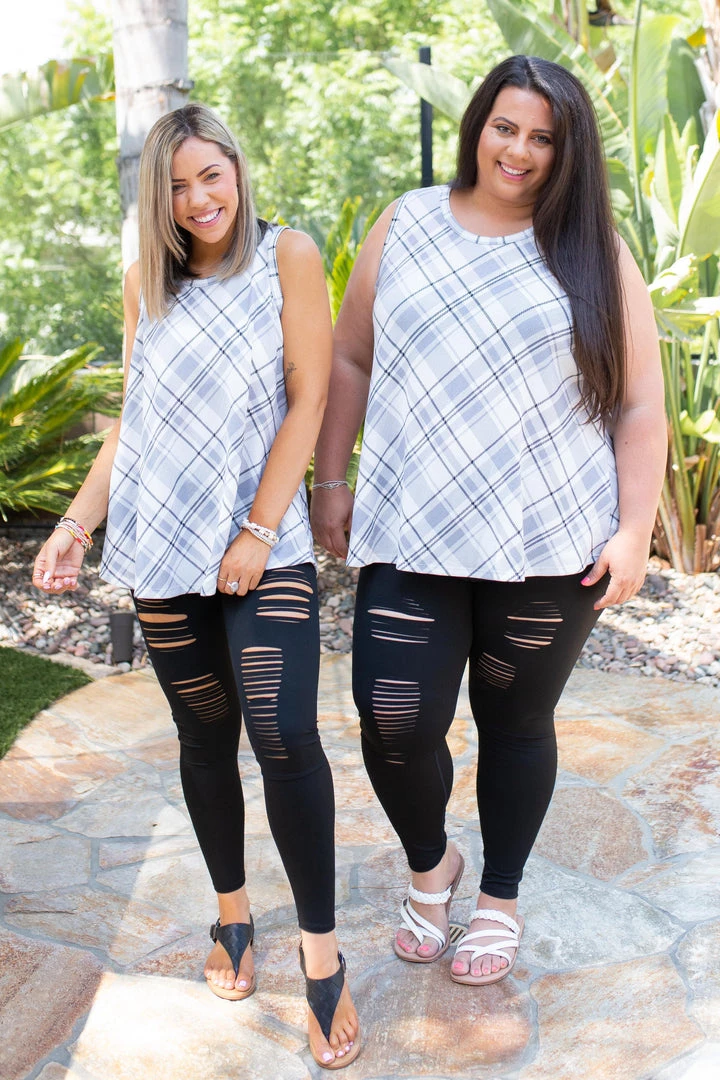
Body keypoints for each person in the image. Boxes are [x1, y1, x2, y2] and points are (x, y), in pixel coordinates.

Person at [311, 55, 666, 986]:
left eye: (543, 137)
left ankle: (498, 899)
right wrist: (330, 477)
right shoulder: (409, 220)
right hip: (411, 526)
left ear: (567, 151)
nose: (519, 150)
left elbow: (639, 402)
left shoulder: (594, 249)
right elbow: (350, 356)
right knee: (392, 717)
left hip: (549, 537)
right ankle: (434, 868)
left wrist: (633, 530)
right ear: (478, 125)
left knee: (516, 722)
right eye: (506, 127)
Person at [32, 103, 360, 1068]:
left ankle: (322, 955)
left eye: (211, 174)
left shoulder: (288, 256)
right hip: (163, 542)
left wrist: (259, 530)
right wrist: (75, 523)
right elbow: (134, 421)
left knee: (286, 734)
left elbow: (311, 397)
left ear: (238, 169)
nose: (198, 198)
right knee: (203, 737)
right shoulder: (148, 280)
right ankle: (232, 915)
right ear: (158, 199)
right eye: (176, 186)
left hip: (264, 538)